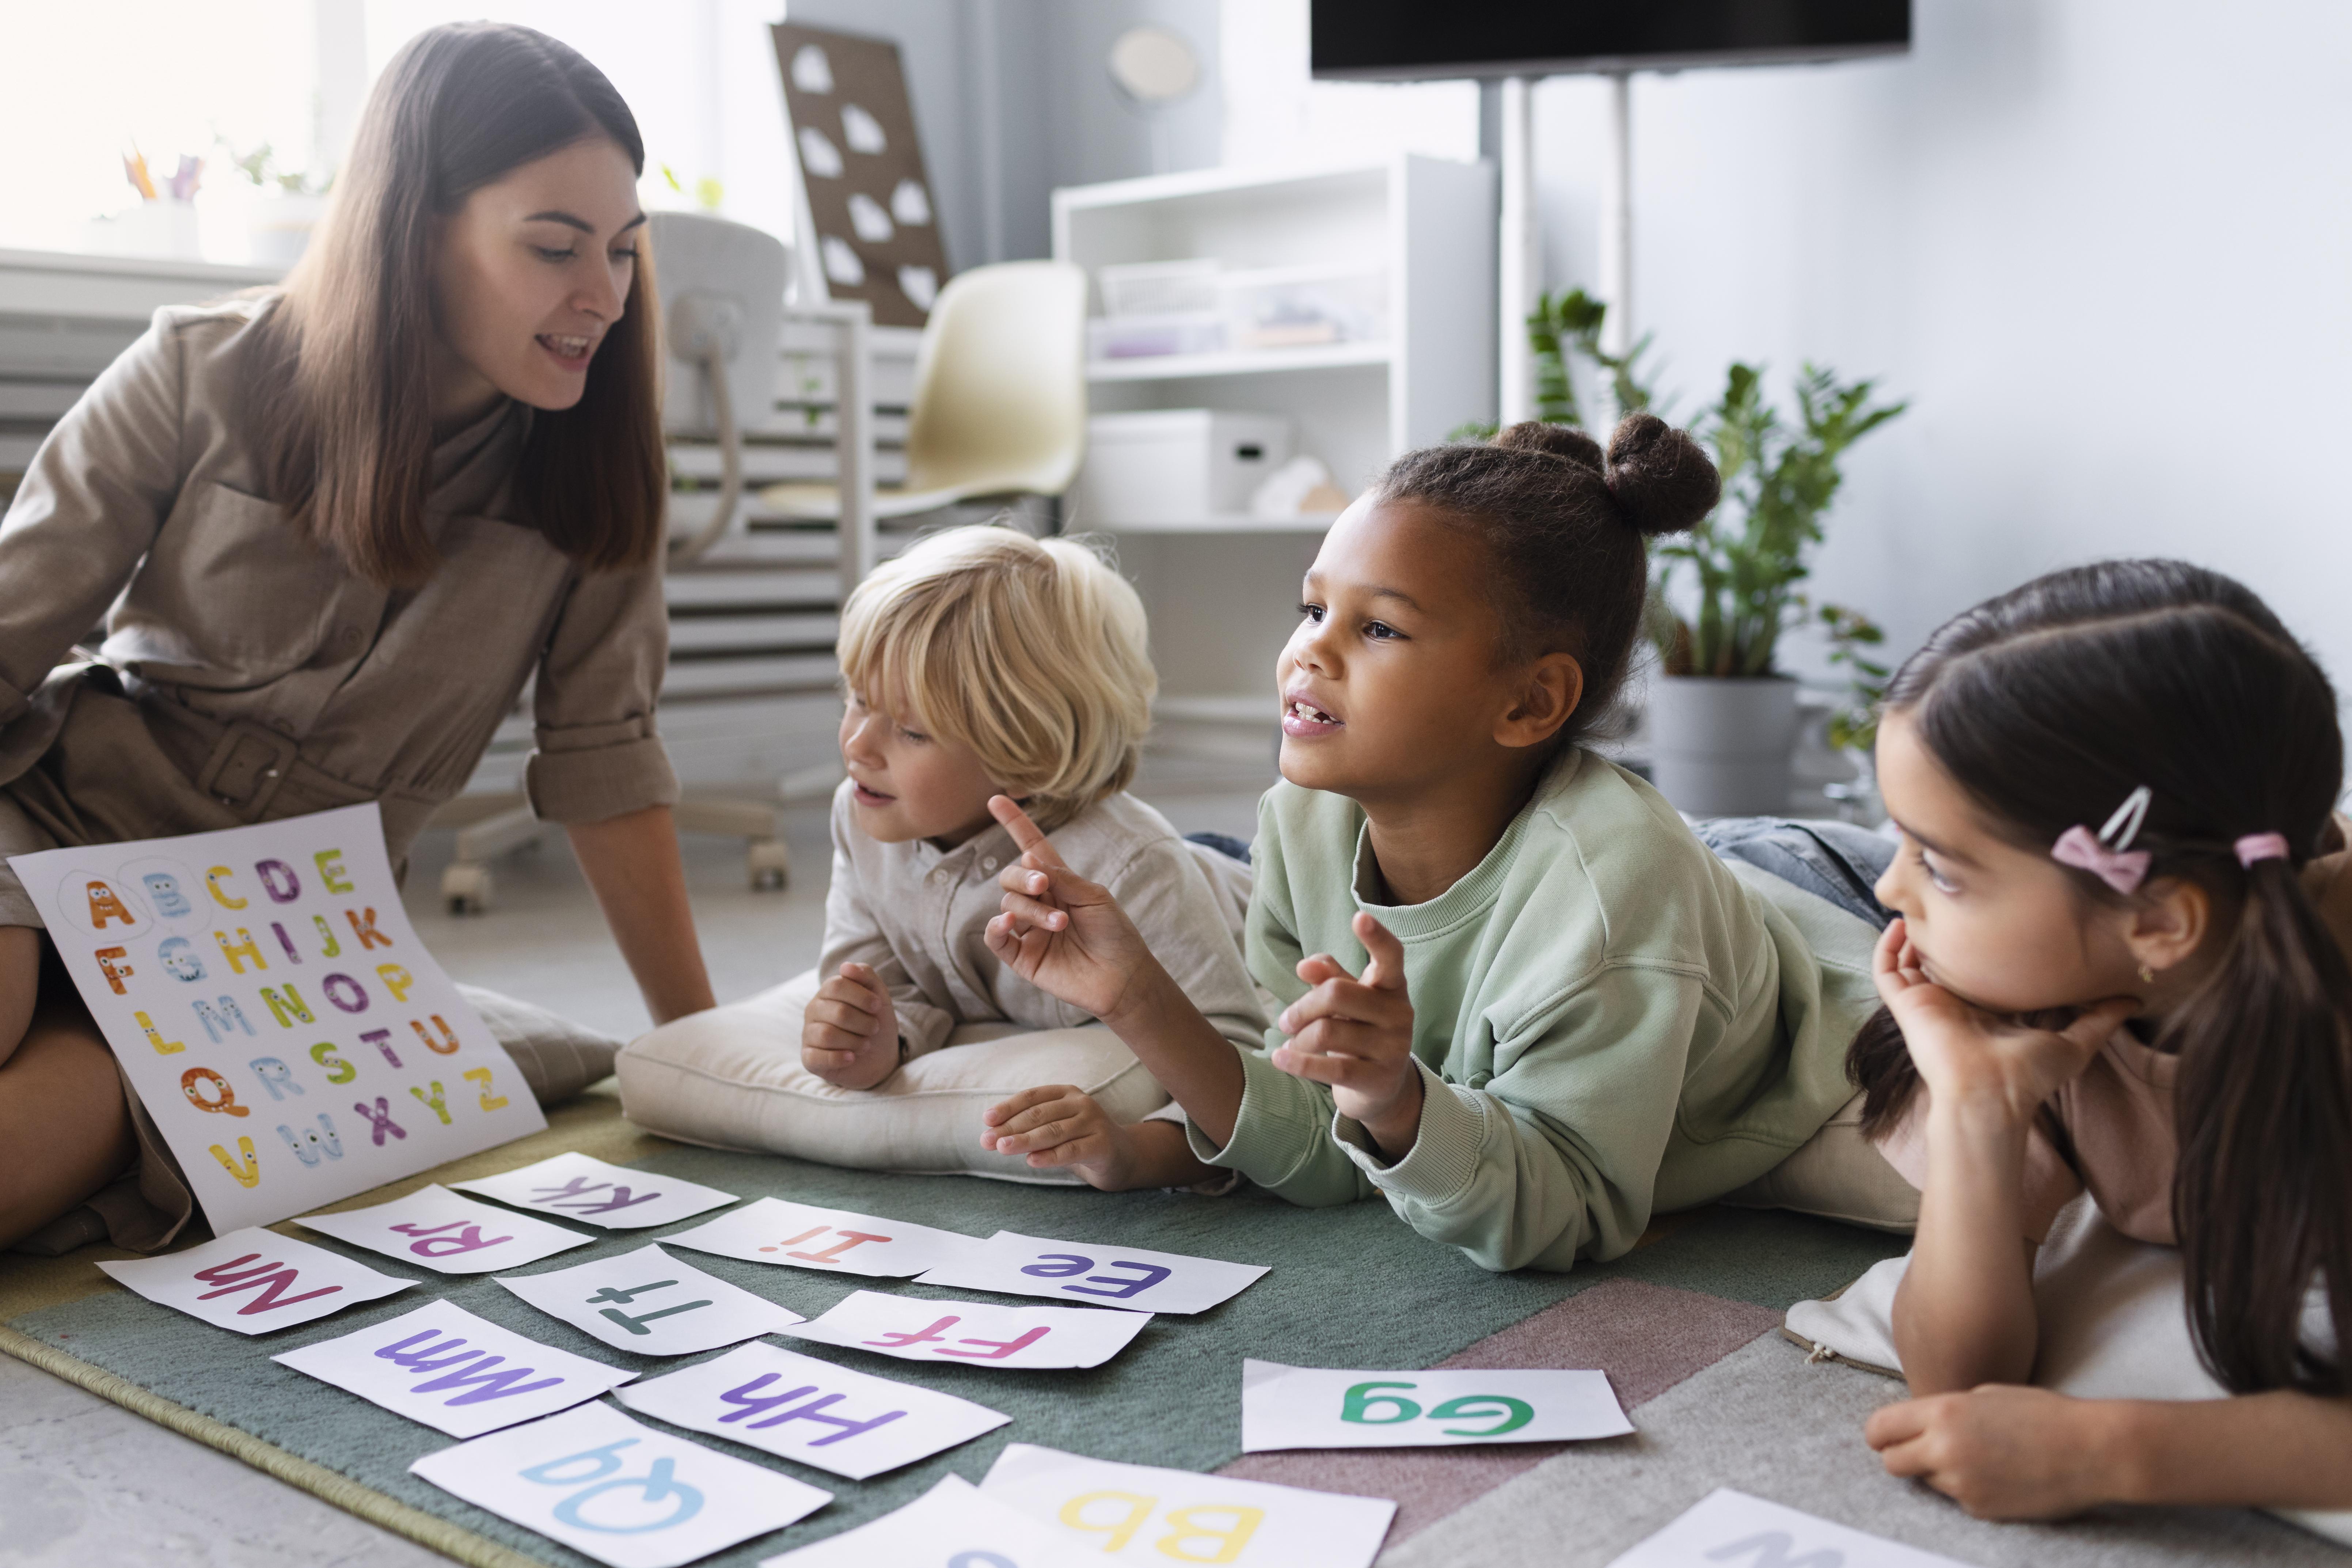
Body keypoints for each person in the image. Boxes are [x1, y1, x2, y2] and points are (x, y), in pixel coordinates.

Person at [0, 23, 715, 1252]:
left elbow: (607, 763)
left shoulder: (593, 475)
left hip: (261, 953)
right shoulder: (200, 372)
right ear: (416, 226)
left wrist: (711, 1058)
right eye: (554, 247)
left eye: (621, 250)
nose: (601, 295)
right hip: (54, 826)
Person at [977, 418, 1886, 1268]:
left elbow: (1568, 1211)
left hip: (1822, 891)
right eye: (1311, 609)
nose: (1308, 653)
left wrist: (1397, 1101)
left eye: (1378, 628)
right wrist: (1136, 995)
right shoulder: (1299, 822)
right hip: (1697, 867)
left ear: (1531, 702)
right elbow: (1320, 1151)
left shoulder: (1614, 908)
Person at [1840, 561, 2352, 1518]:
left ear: (2156, 919)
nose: (1888, 891)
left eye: (1939, 869)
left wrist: (2115, 1451)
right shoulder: (2022, 993)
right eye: (1897, 840)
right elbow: (1953, 1376)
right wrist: (1975, 1110)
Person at [616, 524, 1264, 1175]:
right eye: (857, 700)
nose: (857, 747)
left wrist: (1135, 1153)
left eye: (910, 731)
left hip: (1239, 884)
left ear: (1027, 753)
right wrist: (871, 1039)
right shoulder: (863, 815)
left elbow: (1239, 1068)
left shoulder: (1132, 868)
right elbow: (889, 982)